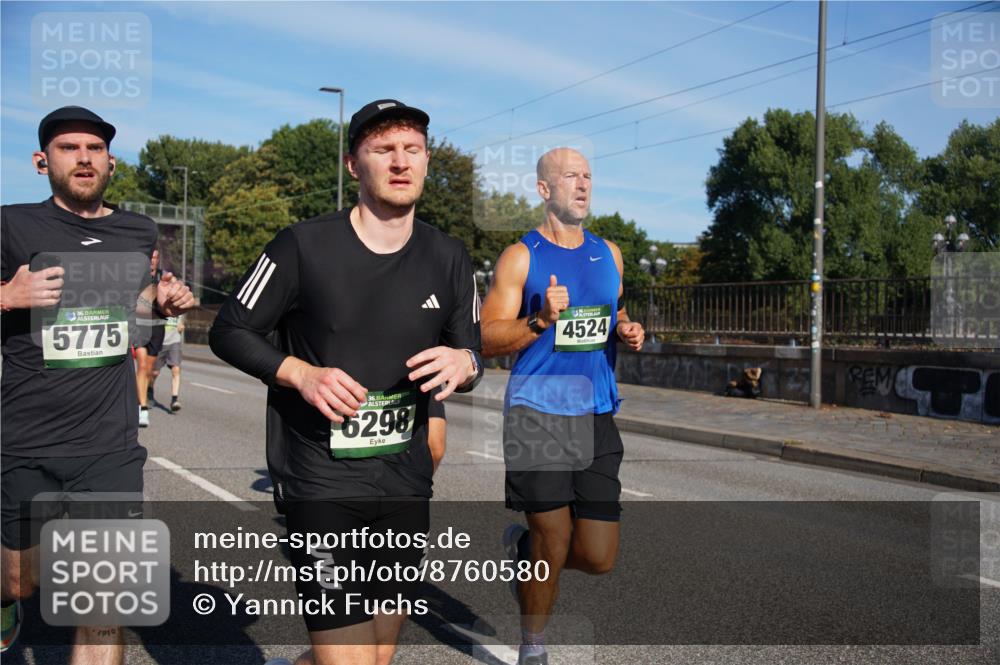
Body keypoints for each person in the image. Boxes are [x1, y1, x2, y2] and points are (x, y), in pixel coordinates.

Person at [210, 99, 482, 665]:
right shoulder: (301, 246)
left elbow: (469, 350)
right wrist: (300, 374)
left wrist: (465, 363)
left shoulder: (450, 256)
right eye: (383, 150)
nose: (401, 162)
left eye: (412, 149)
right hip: (319, 480)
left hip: (406, 478)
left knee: (378, 653)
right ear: (353, 165)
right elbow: (230, 329)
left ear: (427, 161)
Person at [0, 106, 195, 661]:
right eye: (68, 148)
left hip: (109, 445)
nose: (83, 157)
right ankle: (6, 599)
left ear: (111, 162)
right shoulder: (10, 224)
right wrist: (7, 297)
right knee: (19, 582)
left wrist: (161, 301)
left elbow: (136, 308)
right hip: (25, 439)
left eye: (94, 149)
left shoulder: (137, 230)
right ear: (43, 162)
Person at [480, 147, 644, 665]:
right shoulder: (521, 257)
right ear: (544, 189)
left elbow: (612, 311)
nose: (583, 184)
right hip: (537, 413)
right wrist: (538, 321)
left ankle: (524, 554)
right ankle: (533, 646)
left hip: (595, 411)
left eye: (589, 176)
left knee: (597, 556)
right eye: (571, 176)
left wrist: (626, 328)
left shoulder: (609, 253)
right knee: (553, 535)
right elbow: (485, 336)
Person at [135, 250, 166, 426]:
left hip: (157, 327)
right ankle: (143, 409)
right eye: (150, 258)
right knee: (142, 363)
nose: (152, 261)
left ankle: (142, 394)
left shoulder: (164, 278)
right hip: (139, 324)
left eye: (155, 258)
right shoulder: (138, 277)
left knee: (149, 369)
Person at [151, 313, 185, 411]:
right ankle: (149, 392)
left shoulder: (179, 307)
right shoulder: (160, 304)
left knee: (176, 369)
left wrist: (181, 325)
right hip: (159, 342)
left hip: (174, 342)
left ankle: (174, 400)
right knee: (154, 373)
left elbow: (181, 322)